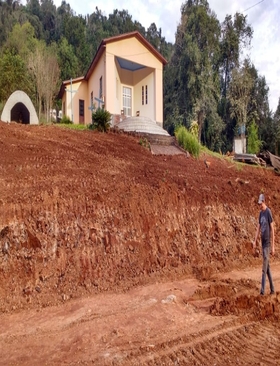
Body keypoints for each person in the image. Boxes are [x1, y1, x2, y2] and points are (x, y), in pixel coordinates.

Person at [253, 193, 275, 295]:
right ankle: (272, 289)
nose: (260, 205)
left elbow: (273, 229)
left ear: (264, 201)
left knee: (264, 269)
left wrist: (273, 247)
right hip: (262, 243)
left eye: (261, 203)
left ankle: (262, 292)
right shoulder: (261, 213)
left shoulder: (268, 212)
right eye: (259, 204)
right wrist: (255, 241)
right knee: (268, 268)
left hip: (267, 244)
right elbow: (258, 228)